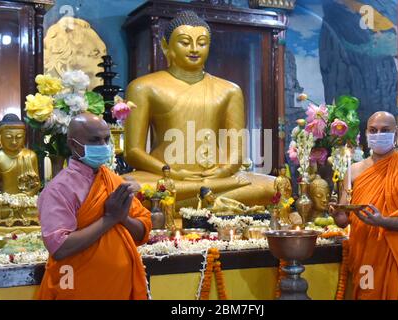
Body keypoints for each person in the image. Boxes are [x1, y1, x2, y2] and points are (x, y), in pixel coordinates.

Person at [124, 10, 274, 209]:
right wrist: (169, 171)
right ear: (165, 46)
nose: (194, 49)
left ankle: (199, 200)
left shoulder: (229, 90)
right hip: (165, 177)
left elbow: (236, 152)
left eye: (202, 43)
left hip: (216, 179)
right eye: (185, 42)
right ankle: (214, 202)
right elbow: (133, 151)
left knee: (275, 186)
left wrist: (222, 172)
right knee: (124, 189)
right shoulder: (143, 87)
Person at [37, 113, 152, 300]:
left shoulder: (113, 180)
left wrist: (123, 218)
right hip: (76, 287)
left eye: (106, 139)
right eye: (95, 140)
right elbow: (60, 248)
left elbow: (143, 231)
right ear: (73, 144)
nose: (103, 146)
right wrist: (110, 219)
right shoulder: (59, 189)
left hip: (120, 288)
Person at [330, 111, 398, 300]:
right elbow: (344, 219)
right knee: (366, 295)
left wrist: (383, 221)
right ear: (367, 134)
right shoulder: (353, 171)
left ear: (395, 134)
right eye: (373, 130)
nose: (378, 134)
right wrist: (338, 216)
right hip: (365, 256)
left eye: (385, 130)